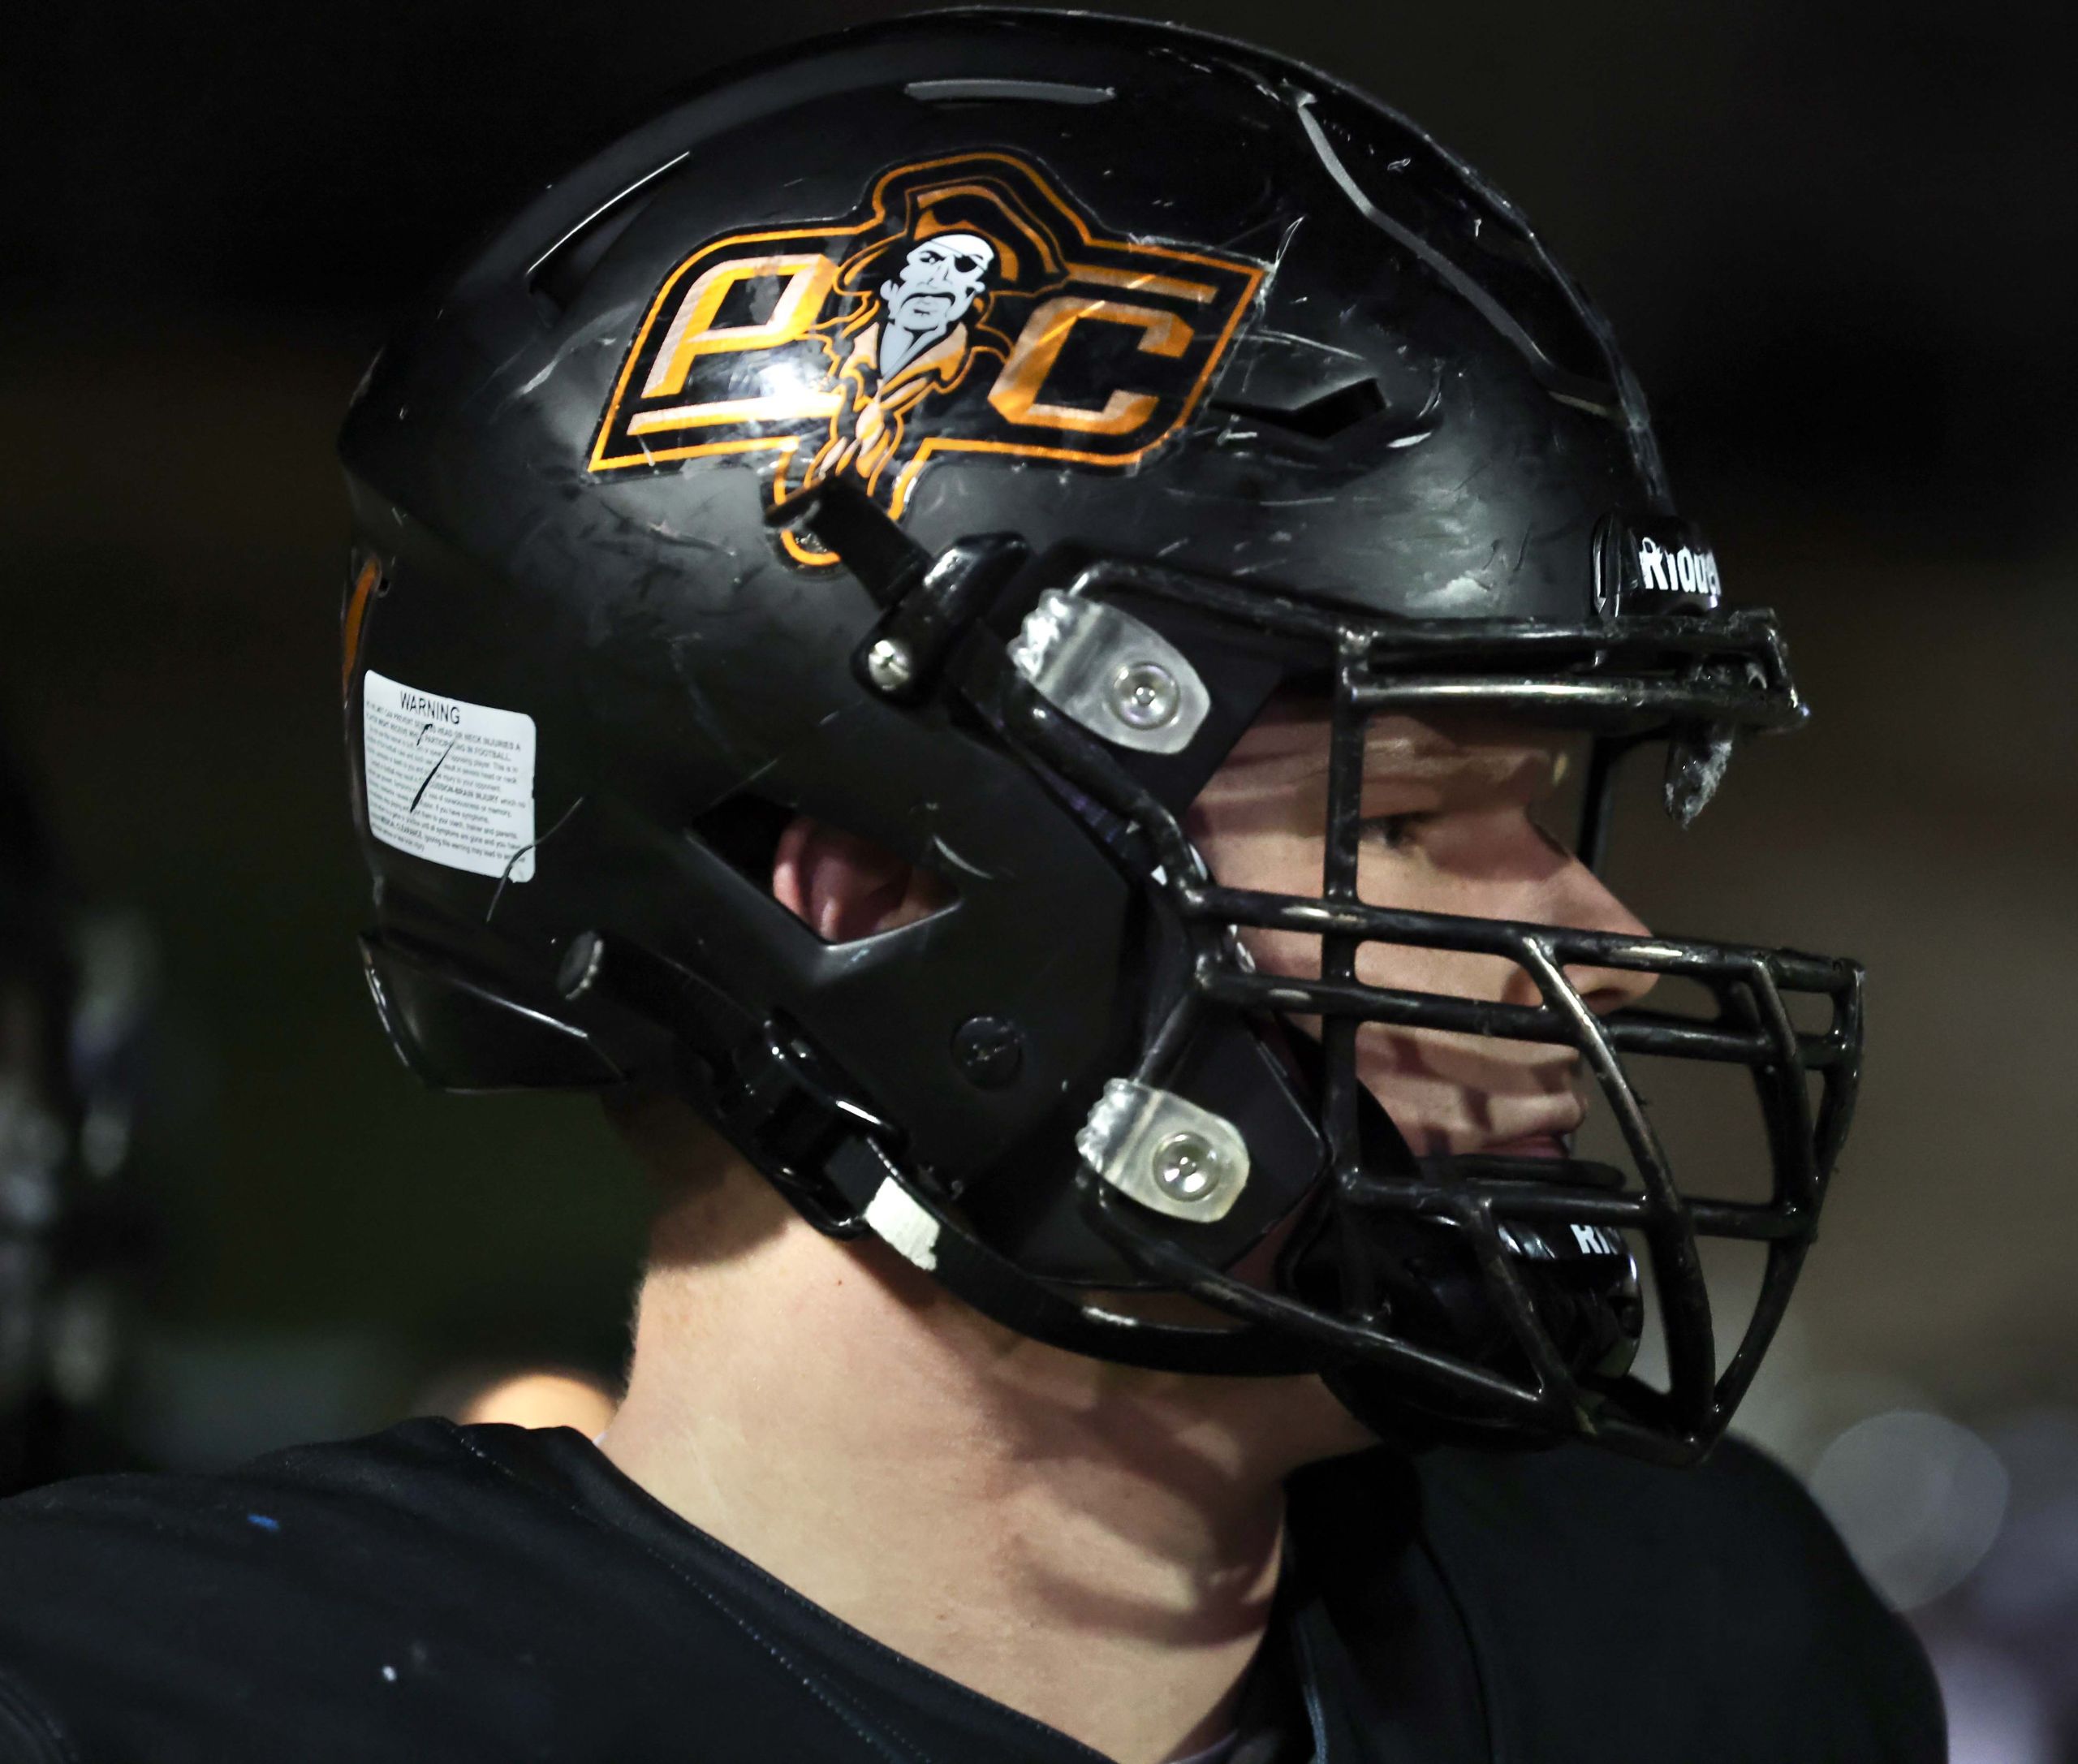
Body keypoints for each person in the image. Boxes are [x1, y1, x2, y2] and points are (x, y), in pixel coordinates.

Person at [0, 12, 1943, 1762]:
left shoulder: (1697, 1645)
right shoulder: (160, 1698)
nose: (1601, 949)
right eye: (1414, 823)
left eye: (1555, 814)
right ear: (860, 897)